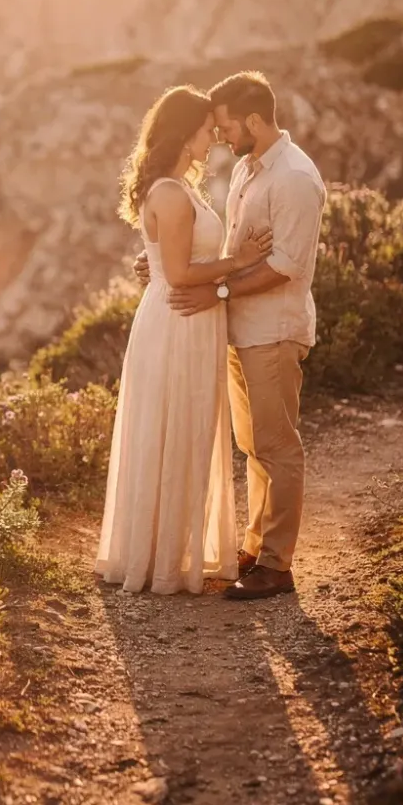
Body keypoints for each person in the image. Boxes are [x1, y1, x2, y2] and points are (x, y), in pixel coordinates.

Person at [138, 71, 326, 600]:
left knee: (277, 445)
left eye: (223, 126)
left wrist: (217, 294)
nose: (218, 137)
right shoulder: (248, 169)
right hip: (241, 331)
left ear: (252, 120)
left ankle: (276, 565)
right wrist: (161, 263)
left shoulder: (293, 178)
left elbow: (286, 265)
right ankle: (255, 546)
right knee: (253, 446)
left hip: (274, 330)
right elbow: (229, 249)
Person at [95, 85, 271, 594]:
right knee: (173, 429)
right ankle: (158, 560)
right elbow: (175, 273)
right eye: (206, 130)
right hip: (177, 321)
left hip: (190, 321)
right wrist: (237, 263)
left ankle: (167, 550)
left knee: (185, 431)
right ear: (183, 132)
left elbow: (166, 262)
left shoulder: (179, 187)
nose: (214, 137)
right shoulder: (171, 192)